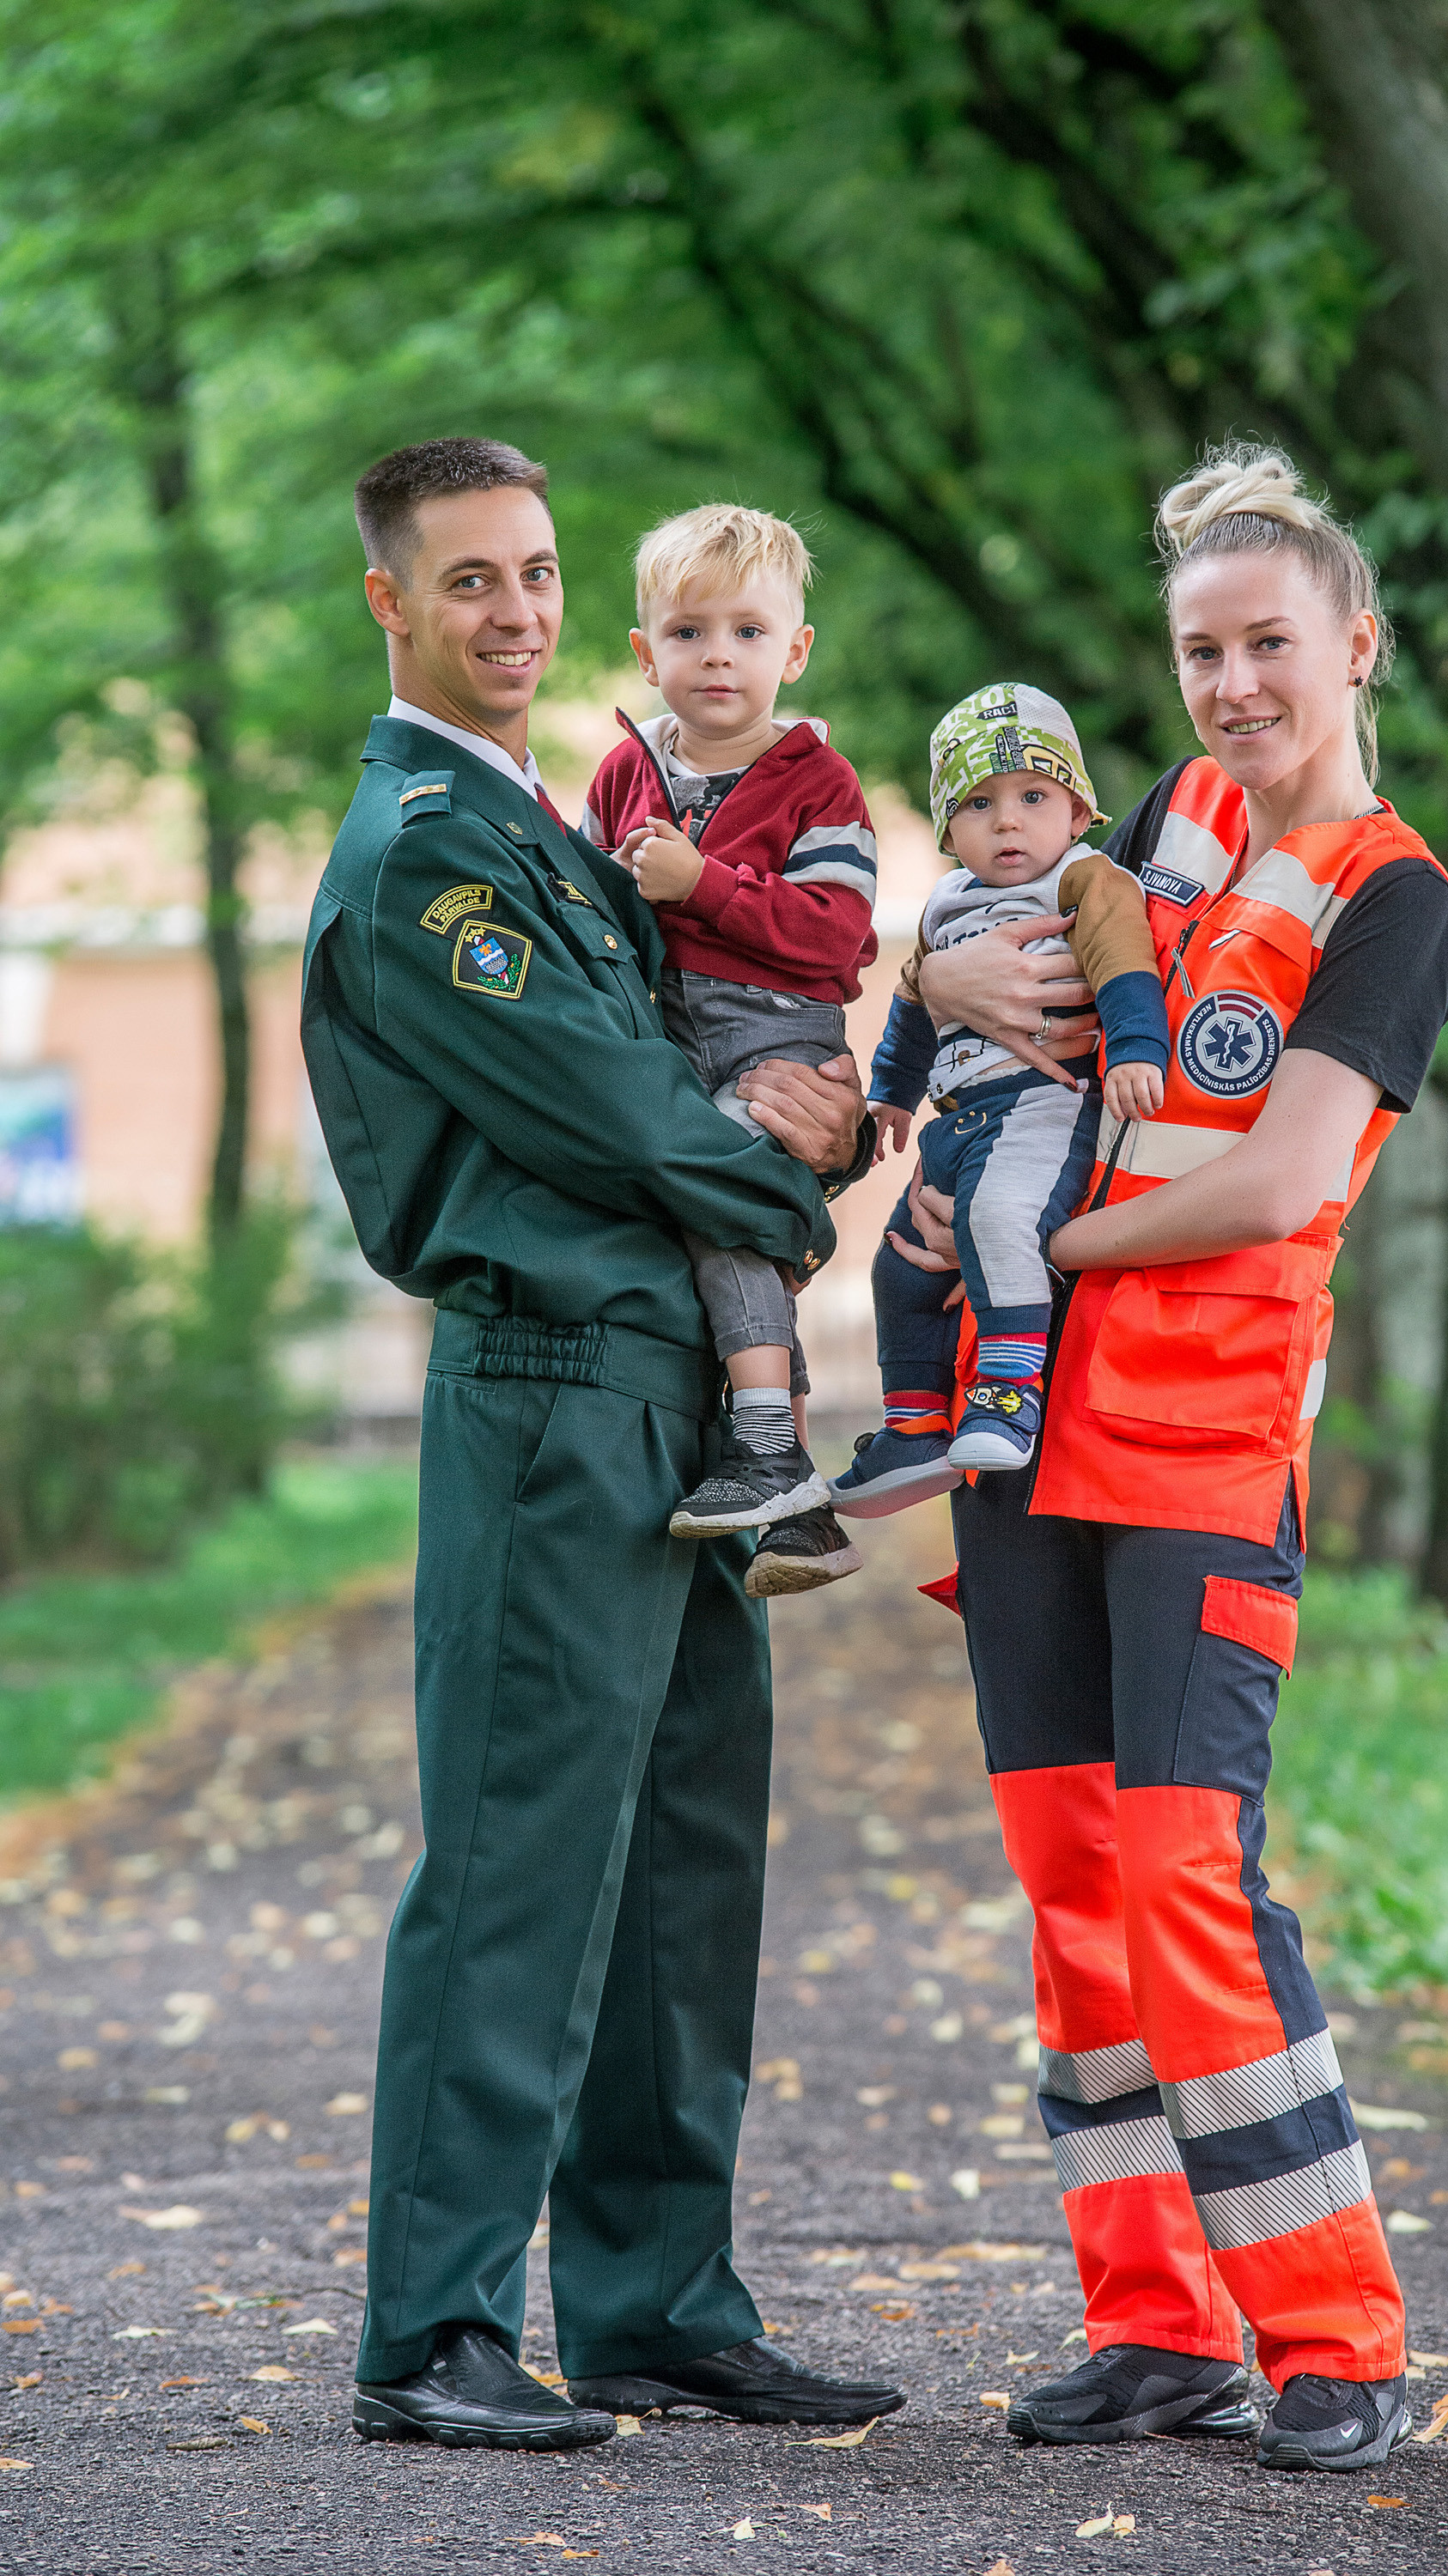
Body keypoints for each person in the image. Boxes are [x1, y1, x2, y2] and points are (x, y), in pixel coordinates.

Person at [301, 437, 903, 2451]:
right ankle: (434, 2326)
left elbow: (720, 1025)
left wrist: (840, 1102)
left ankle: (653, 2305)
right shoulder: (423, 849)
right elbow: (609, 1105)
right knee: (517, 1855)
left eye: (541, 574)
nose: (519, 611)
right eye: (471, 580)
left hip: (666, 1394)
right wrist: (789, 1191)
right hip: (554, 1380)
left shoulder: (562, 821)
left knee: (676, 1865)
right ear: (388, 598)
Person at [902, 445, 1448, 2472]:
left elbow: (1283, 1172)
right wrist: (928, 973)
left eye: (1266, 646)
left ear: (1352, 645)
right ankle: (1150, 2325)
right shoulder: (1170, 818)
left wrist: (1055, 1237)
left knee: (1180, 1880)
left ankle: (1330, 2338)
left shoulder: (1393, 895)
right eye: (1197, 650)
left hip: (1203, 1456)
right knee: (1069, 1889)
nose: (1229, 684)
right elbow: (1014, 939)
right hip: (1025, 1444)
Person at [580, 504, 878, 1595]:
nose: (717, 655)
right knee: (707, 1215)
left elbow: (837, 934)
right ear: (645, 650)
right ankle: (794, 1505)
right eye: (688, 631)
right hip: (665, 1031)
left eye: (748, 633)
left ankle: (762, 1448)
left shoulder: (818, 786)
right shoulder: (621, 775)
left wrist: (700, 885)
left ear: (793, 651)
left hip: (771, 1037)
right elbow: (585, 918)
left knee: (720, 1191)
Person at [831, 683, 1168, 1513]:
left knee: (999, 1222)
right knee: (899, 1263)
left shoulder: (1086, 880)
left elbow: (1125, 960)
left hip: (1042, 1104)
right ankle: (913, 1429)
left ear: (1079, 807)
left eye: (1032, 797)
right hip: (957, 1119)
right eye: (978, 804)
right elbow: (913, 1007)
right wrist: (892, 1095)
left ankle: (1009, 1395)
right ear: (947, 828)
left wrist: (1134, 1050)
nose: (1008, 821)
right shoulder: (947, 903)